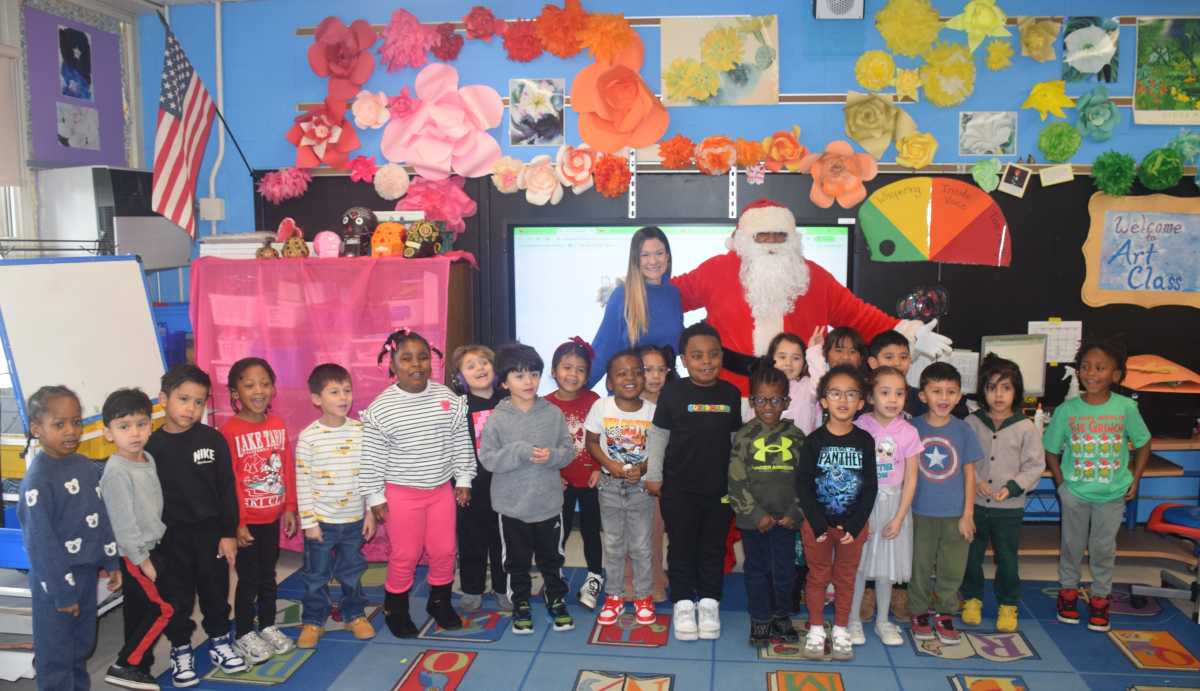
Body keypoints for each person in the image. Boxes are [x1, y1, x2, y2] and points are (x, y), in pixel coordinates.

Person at [672, 199, 951, 394]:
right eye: (763, 236)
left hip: (798, 395)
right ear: (744, 238)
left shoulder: (812, 276)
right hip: (731, 392)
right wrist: (640, 287)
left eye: (779, 236)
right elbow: (671, 296)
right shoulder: (716, 270)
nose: (772, 243)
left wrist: (909, 333)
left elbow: (858, 315)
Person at [361, 330, 475, 637]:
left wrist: (464, 477)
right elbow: (371, 457)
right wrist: (375, 496)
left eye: (423, 357)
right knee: (406, 554)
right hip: (401, 495)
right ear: (392, 364)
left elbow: (460, 441)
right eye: (407, 358)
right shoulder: (382, 408)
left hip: (440, 491)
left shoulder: (446, 398)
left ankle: (440, 602)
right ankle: (395, 608)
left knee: (445, 549)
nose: (416, 365)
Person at [18, 386, 122, 691]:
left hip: (86, 574)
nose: (71, 431)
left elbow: (99, 517)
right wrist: (62, 593)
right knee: (57, 655)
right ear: (37, 429)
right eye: (59, 424)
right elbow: (41, 545)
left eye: (76, 422)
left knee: (80, 647)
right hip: (54, 583)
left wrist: (111, 561)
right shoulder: (37, 480)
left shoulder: (84, 466)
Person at [146, 364, 245, 686]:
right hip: (170, 538)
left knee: (216, 591)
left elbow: (227, 489)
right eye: (184, 399)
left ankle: (219, 640)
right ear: (164, 399)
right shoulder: (150, 446)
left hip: (210, 534)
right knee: (177, 597)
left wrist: (228, 533)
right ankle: (180, 648)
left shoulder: (212, 439)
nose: (191, 408)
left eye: (199, 402)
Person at [1045, 338, 1151, 633]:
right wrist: (1062, 484)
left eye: (1100, 368)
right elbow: (1051, 449)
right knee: (1071, 545)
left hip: (1111, 494)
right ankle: (1068, 592)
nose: (1091, 373)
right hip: (1075, 493)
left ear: (1116, 375)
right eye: (1085, 367)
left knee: (1103, 548)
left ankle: (1101, 597)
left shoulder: (1126, 408)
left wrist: (1136, 478)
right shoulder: (1067, 410)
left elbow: (1143, 443)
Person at [645, 322, 742, 642]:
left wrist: (738, 484)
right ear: (684, 360)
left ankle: (710, 602)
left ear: (722, 357)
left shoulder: (731, 394)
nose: (706, 361)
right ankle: (684, 603)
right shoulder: (673, 393)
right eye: (697, 356)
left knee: (713, 546)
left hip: (720, 490)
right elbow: (658, 436)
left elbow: (736, 442)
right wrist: (654, 475)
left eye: (713, 354)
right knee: (682, 545)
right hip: (679, 489)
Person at [479, 343, 577, 635]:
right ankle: (520, 603)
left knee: (552, 558)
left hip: (548, 504)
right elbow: (488, 459)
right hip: (512, 507)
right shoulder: (497, 417)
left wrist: (553, 456)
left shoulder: (553, 413)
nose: (529, 381)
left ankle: (556, 598)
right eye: (519, 375)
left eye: (534, 374)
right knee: (516, 561)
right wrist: (518, 451)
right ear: (504, 382)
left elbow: (567, 451)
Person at [795, 365, 878, 662]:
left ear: (861, 402)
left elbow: (870, 487)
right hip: (817, 525)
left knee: (845, 578)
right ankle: (817, 628)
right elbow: (803, 485)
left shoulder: (865, 441)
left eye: (851, 394)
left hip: (852, 528)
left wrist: (855, 526)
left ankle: (841, 629)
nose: (843, 400)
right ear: (824, 401)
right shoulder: (813, 441)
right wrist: (818, 524)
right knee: (818, 576)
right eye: (835, 393)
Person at [219, 357, 298, 664]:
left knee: (268, 576)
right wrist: (237, 522)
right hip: (246, 523)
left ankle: (266, 625)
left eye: (265, 384)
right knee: (248, 580)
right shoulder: (229, 431)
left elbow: (286, 468)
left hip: (272, 518)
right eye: (249, 385)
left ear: (273, 389)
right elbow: (230, 482)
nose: (259, 391)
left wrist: (289, 506)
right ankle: (243, 633)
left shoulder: (277, 424)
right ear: (235, 392)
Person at [295, 364, 378, 650]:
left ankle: (354, 614)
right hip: (321, 521)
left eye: (347, 390)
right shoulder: (309, 437)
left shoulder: (361, 431)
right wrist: (309, 522)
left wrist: (370, 512)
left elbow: (370, 473)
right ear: (316, 399)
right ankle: (313, 620)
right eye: (334, 392)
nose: (343, 397)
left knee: (351, 571)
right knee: (316, 575)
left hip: (354, 519)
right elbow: (303, 481)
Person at [963, 355, 1044, 633]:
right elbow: (962, 458)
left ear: (1016, 391)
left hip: (1008, 508)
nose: (998, 395)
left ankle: (1008, 604)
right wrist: (975, 480)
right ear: (982, 391)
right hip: (974, 504)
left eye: (1006, 388)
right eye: (991, 387)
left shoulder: (1026, 427)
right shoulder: (971, 423)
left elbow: (1034, 466)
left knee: (1007, 558)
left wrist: (1012, 487)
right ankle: (972, 598)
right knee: (970, 555)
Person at [728, 360, 806, 648]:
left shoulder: (797, 437)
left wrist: (795, 512)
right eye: (761, 400)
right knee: (757, 570)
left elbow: (806, 479)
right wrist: (756, 514)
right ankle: (760, 618)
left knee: (784, 571)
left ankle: (781, 616)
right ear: (752, 401)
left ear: (786, 402)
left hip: (786, 520)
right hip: (754, 523)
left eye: (775, 400)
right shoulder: (744, 436)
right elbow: (736, 480)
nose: (768, 406)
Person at [99, 388, 172, 690]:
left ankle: (139, 667)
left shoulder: (147, 458)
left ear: (151, 425)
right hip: (136, 554)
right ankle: (125, 664)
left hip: (153, 546)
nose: (134, 433)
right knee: (163, 608)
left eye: (141, 424)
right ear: (108, 433)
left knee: (139, 611)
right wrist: (143, 561)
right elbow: (123, 524)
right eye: (124, 426)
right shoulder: (116, 471)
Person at [908, 362, 983, 646]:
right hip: (919, 512)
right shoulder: (912, 428)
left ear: (959, 396)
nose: (943, 397)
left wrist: (968, 513)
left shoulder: (963, 430)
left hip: (955, 514)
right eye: (936, 391)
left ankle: (945, 612)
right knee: (919, 564)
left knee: (952, 566)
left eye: (951, 392)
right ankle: (918, 611)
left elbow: (970, 474)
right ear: (923, 395)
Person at [848, 367, 921, 647]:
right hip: (864, 505)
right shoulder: (860, 426)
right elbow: (853, 472)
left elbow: (911, 478)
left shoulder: (909, 432)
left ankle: (882, 621)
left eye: (899, 393)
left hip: (894, 506)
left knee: (887, 568)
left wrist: (900, 517)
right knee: (858, 565)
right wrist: (857, 514)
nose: (893, 399)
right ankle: (853, 620)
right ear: (870, 397)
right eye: (885, 392)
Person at [585, 350, 657, 627]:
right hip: (609, 487)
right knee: (614, 545)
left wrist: (643, 468)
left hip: (640, 490)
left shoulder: (652, 411)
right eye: (622, 373)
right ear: (610, 381)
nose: (631, 378)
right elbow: (592, 442)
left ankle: (643, 597)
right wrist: (610, 465)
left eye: (637, 372)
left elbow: (660, 448)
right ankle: (614, 596)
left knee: (641, 546)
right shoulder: (601, 407)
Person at [449, 344, 509, 612]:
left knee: (504, 538)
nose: (479, 368)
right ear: (460, 376)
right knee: (471, 537)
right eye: (470, 366)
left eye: (484, 362)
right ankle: (472, 588)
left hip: (506, 482)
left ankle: (503, 587)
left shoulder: (508, 401)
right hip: (470, 485)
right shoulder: (458, 406)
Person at [545, 338, 603, 610]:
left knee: (592, 531)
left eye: (580, 369)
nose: (573, 374)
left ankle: (594, 577)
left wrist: (600, 468)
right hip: (560, 482)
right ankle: (553, 578)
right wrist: (552, 474)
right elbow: (539, 445)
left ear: (588, 375)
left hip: (591, 479)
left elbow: (604, 439)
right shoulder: (544, 405)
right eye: (566, 367)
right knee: (560, 531)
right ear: (554, 371)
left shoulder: (595, 401)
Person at [588, 226, 684, 390]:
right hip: (630, 395)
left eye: (659, 253)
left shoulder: (673, 294)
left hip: (666, 393)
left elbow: (677, 343)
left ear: (667, 256)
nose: (653, 261)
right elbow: (603, 348)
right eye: (645, 255)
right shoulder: (622, 296)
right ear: (635, 259)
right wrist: (577, 393)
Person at [625, 344, 674, 602]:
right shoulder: (626, 403)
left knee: (654, 533)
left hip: (658, 481)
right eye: (647, 370)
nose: (655, 376)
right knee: (629, 534)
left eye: (661, 370)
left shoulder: (672, 403)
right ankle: (628, 579)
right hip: (629, 479)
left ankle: (655, 579)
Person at [868, 330, 968, 418]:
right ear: (873, 363)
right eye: (889, 357)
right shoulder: (863, 395)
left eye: (903, 357)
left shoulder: (920, 398)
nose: (897, 363)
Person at [766, 330, 825, 434]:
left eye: (796, 358)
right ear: (771, 359)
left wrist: (813, 351)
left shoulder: (808, 387)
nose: (788, 363)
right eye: (782, 357)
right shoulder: (762, 387)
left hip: (801, 444)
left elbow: (822, 383)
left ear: (804, 362)